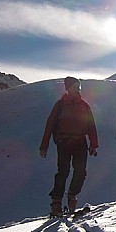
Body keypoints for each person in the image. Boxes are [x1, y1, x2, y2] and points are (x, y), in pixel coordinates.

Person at [39, 77, 98, 216]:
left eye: (78, 87)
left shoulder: (84, 106)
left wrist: (93, 145)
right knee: (63, 172)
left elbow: (91, 126)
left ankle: (72, 195)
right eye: (74, 87)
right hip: (64, 142)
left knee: (80, 171)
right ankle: (57, 202)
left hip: (80, 142)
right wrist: (44, 146)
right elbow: (50, 125)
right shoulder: (60, 105)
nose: (77, 89)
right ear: (67, 88)